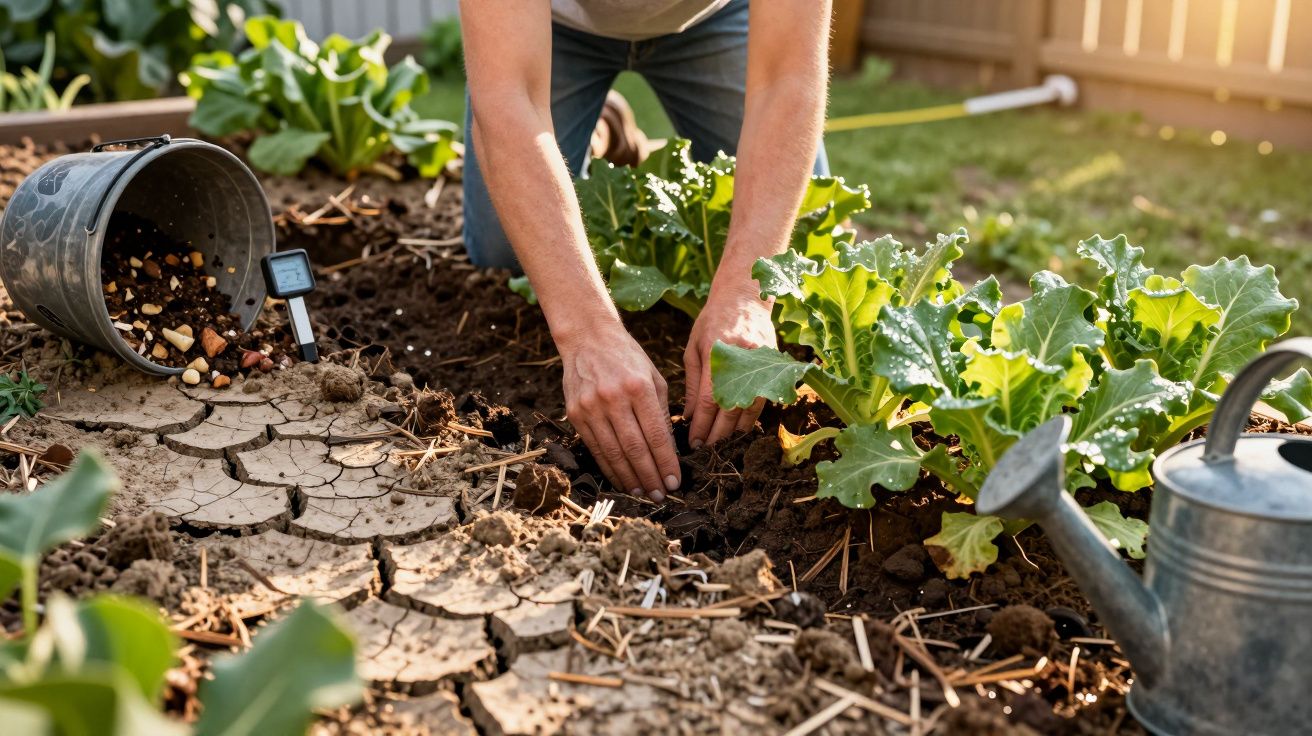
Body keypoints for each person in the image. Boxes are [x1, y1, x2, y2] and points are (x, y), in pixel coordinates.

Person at [460, 0, 832, 502]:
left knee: (808, 233)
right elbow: (510, 96)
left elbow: (786, 79)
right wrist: (587, 333)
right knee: (503, 248)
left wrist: (746, 292)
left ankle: (591, 133)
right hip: (554, 25)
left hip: (718, 17)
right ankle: (593, 131)